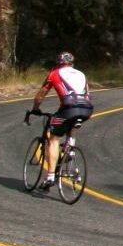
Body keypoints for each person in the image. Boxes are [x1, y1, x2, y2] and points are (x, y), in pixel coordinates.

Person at [31, 51, 94, 189]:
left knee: (53, 139)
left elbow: (41, 94)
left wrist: (36, 108)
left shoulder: (54, 73)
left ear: (58, 63)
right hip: (87, 109)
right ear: (72, 63)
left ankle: (50, 177)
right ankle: (70, 147)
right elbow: (86, 94)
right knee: (72, 122)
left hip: (69, 109)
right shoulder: (81, 74)